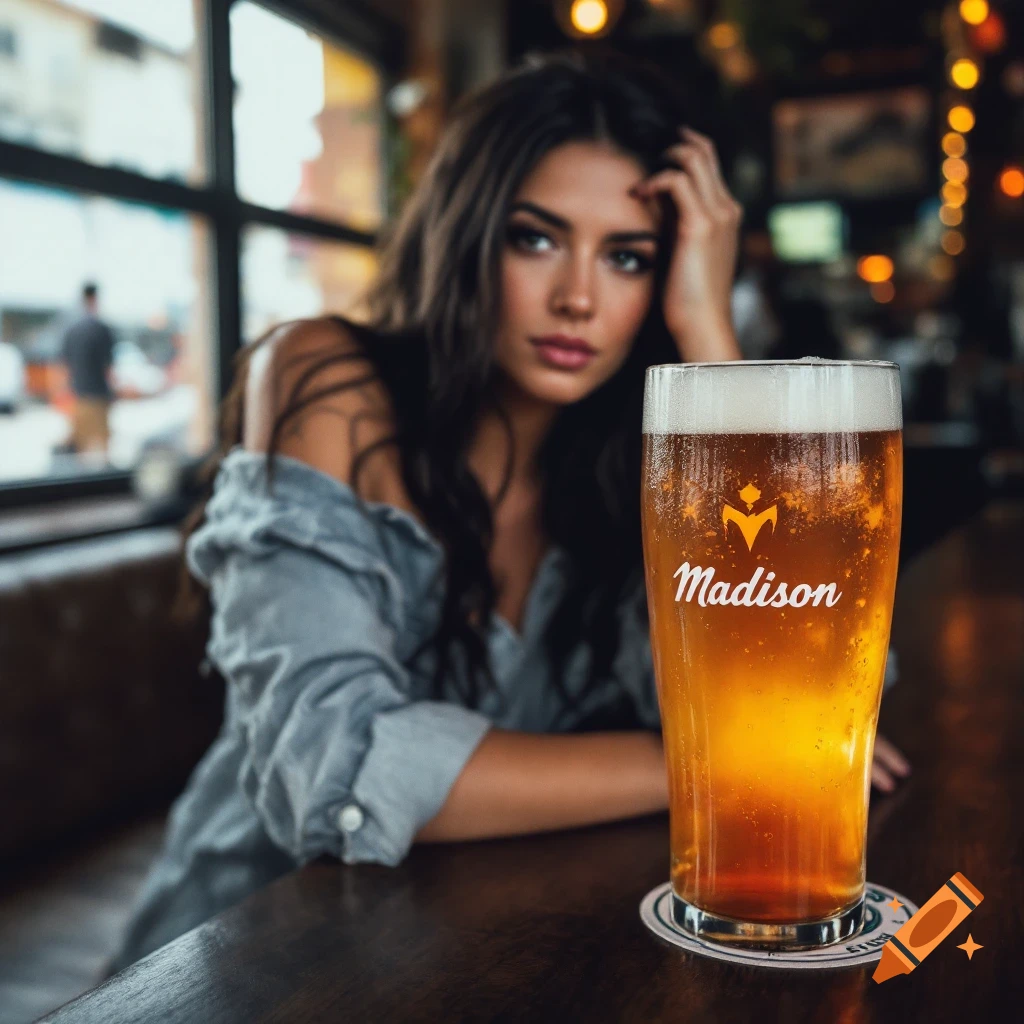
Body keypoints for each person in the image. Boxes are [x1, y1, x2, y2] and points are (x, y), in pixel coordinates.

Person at [111, 51, 909, 971]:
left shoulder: (645, 460)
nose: (578, 296)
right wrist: (720, 768)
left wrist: (707, 337)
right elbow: (328, 769)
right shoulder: (325, 377)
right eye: (535, 238)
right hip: (249, 945)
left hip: (478, 951)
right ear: (468, 237)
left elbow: (806, 666)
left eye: (628, 257)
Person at [61, 282, 116, 459]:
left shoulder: (71, 330)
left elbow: (64, 367)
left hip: (79, 397)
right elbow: (108, 368)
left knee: (80, 454)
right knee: (103, 452)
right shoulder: (102, 329)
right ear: (95, 299)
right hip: (99, 398)